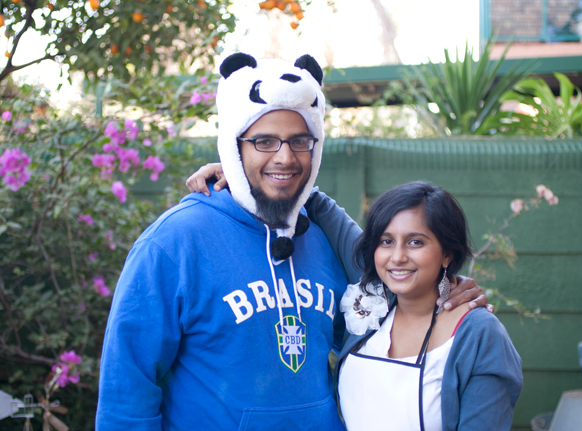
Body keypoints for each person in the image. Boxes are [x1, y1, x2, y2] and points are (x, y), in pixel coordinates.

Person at [97, 53, 488, 431]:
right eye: (264, 141)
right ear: (235, 145)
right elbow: (126, 389)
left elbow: (385, 315)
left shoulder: (320, 237)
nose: (285, 157)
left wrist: (447, 290)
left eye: (300, 141)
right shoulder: (174, 243)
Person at [333, 182, 522, 431]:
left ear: (447, 254)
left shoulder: (479, 334)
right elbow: (314, 204)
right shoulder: (366, 310)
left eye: (415, 242)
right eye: (386, 241)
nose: (397, 257)